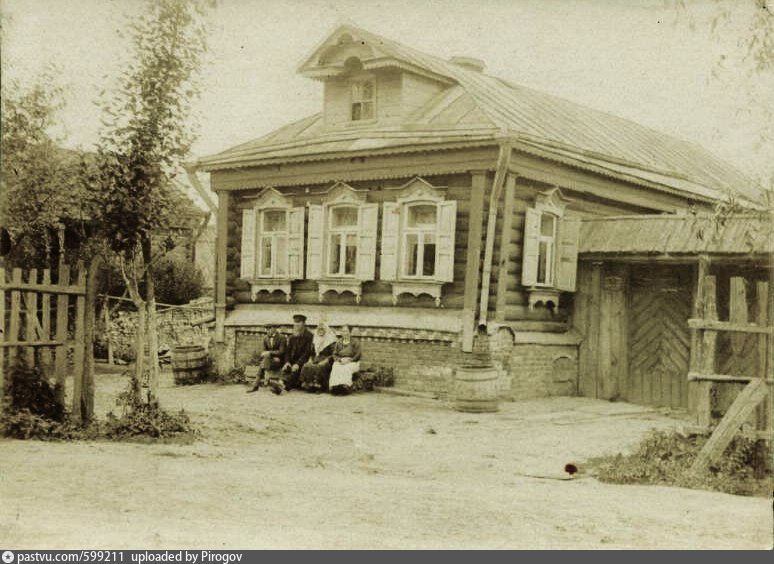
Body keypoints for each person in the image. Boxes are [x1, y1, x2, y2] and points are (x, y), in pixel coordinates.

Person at [271, 314, 313, 394]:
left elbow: (307, 353)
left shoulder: (309, 336)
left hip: (303, 361)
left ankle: (282, 386)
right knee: (286, 368)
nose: (296, 325)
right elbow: (287, 351)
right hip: (292, 360)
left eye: (299, 322)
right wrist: (287, 362)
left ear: (304, 323)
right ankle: (281, 384)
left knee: (296, 370)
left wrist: (298, 364)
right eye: (295, 322)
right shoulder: (292, 337)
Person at [246, 324, 286, 393]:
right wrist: (270, 355)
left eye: (269, 328)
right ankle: (266, 380)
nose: (267, 331)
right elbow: (264, 351)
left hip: (279, 361)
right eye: (266, 329)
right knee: (265, 359)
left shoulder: (282, 337)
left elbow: (282, 351)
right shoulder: (265, 338)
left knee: (264, 361)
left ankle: (256, 385)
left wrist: (270, 353)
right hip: (269, 361)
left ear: (274, 328)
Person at [299, 323, 337, 392]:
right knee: (306, 365)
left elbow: (334, 354)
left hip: (327, 360)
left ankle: (320, 386)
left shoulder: (330, 340)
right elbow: (312, 353)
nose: (320, 331)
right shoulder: (315, 340)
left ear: (326, 330)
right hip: (315, 359)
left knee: (319, 367)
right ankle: (310, 384)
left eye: (322, 329)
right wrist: (310, 359)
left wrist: (326, 360)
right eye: (319, 329)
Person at [329, 324, 362, 395]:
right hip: (341, 361)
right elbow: (334, 354)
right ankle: (335, 387)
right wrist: (339, 360)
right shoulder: (339, 342)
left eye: (346, 331)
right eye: (343, 331)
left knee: (346, 368)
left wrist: (349, 360)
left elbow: (358, 354)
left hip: (353, 361)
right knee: (335, 366)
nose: (345, 333)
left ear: (350, 332)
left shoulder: (355, 342)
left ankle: (345, 386)